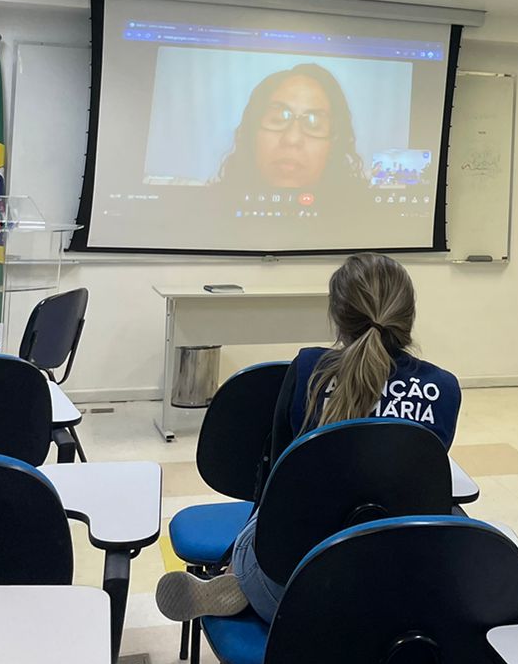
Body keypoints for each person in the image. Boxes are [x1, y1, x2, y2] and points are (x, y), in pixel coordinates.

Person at [153, 253, 461, 622]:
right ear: (408, 315)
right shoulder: (443, 388)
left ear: (338, 315)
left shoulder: (308, 369)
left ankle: (239, 580)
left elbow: (276, 479)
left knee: (275, 514)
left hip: (294, 589)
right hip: (394, 592)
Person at [214, 63, 368, 200]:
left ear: (334, 142)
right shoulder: (210, 209)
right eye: (278, 119)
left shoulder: (364, 219)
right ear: (252, 132)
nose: (292, 139)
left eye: (313, 123)